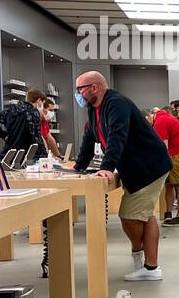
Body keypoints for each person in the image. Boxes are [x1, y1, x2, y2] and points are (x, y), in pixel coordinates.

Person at [72, 71, 171, 281]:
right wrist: (78, 167)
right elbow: (89, 138)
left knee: (130, 216)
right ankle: (149, 265)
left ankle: (146, 262)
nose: (78, 94)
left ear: (94, 88)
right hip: (136, 167)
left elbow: (118, 135)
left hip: (149, 165)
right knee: (143, 214)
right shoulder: (93, 109)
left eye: (80, 89)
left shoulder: (116, 103)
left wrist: (107, 166)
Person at [148, 106, 179, 227]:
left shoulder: (159, 122)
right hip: (176, 153)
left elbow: (163, 147)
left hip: (177, 155)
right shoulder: (164, 117)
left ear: (149, 116)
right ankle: (168, 214)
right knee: (169, 185)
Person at [0, 89, 45, 158]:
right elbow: (36, 136)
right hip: (26, 156)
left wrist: (3, 135)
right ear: (38, 100)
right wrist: (44, 156)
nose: (42, 106)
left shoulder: (10, 110)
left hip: (8, 155)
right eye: (42, 103)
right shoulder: (33, 112)